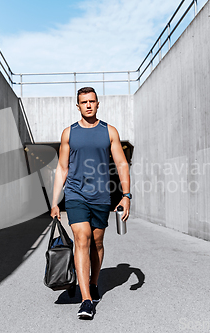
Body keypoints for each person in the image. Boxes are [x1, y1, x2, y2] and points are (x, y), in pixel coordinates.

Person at [51, 87, 131, 319]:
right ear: (77, 106)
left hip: (101, 197)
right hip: (76, 194)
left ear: (98, 104)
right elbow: (62, 168)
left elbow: (122, 164)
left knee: (97, 242)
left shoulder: (109, 131)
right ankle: (86, 299)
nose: (88, 105)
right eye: (83, 102)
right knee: (82, 238)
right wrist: (55, 201)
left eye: (92, 101)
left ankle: (94, 283)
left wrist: (126, 195)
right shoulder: (69, 133)